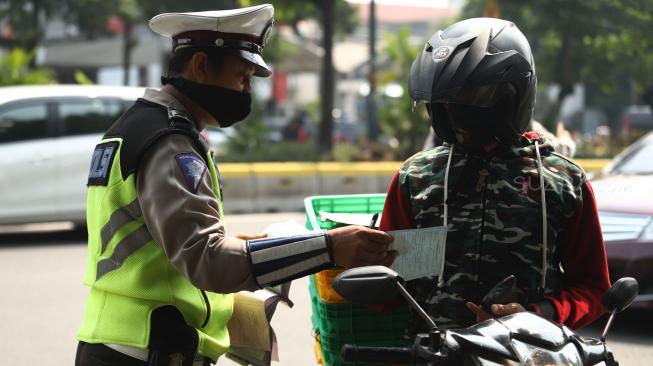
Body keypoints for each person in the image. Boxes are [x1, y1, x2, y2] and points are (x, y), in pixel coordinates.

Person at [75, 5, 395, 366]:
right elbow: (206, 259)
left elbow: (165, 243)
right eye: (241, 77)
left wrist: (263, 244)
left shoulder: (148, 126)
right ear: (200, 66)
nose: (245, 90)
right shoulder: (169, 142)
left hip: (134, 344)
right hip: (140, 351)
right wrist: (328, 249)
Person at [379, 18, 610, 336]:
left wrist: (539, 315)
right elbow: (389, 286)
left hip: (532, 353)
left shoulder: (563, 182)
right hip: (438, 354)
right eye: (446, 105)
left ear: (512, 96)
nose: (456, 116)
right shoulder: (417, 179)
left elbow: (592, 288)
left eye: (473, 102)